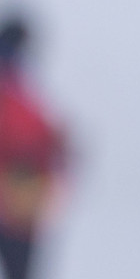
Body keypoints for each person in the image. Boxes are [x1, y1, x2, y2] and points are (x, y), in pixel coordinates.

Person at [0, 14, 67, 279]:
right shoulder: (11, 83)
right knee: (20, 267)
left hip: (23, 192)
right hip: (15, 190)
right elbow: (22, 130)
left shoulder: (19, 84)